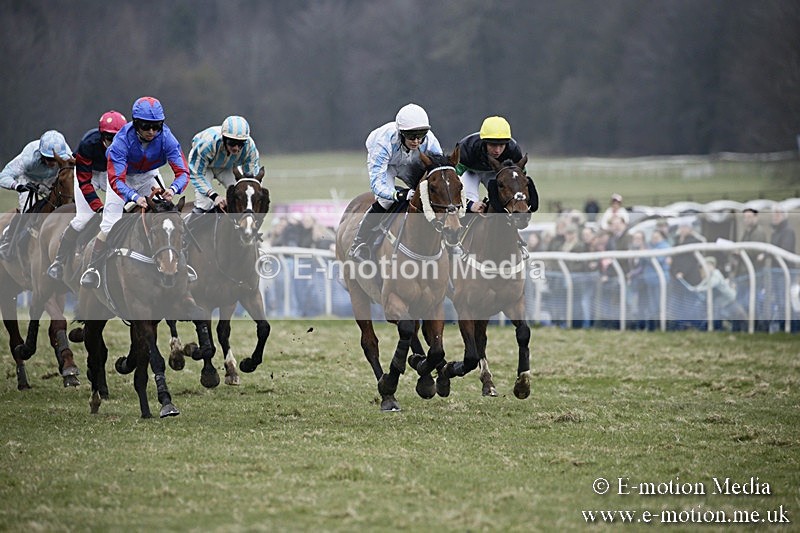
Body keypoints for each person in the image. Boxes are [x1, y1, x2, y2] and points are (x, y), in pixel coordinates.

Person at [80, 96, 190, 288]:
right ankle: (93, 268)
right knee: (109, 224)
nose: (152, 132)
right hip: (122, 178)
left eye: (156, 127)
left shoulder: (167, 138)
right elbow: (116, 181)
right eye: (146, 127)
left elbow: (182, 172)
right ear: (137, 124)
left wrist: (172, 190)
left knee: (167, 216)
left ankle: (180, 263)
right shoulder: (121, 142)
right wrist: (135, 197)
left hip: (149, 176)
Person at [348, 103, 442, 261]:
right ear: (401, 132)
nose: (417, 141)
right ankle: (360, 243)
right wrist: (398, 194)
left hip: (409, 161)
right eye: (411, 136)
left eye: (421, 135)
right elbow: (377, 185)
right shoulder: (383, 142)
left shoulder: (430, 141)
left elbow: (440, 171)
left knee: (427, 194)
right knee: (385, 200)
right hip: (387, 164)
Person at [46, 111, 127, 280]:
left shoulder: (128, 143)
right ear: (101, 135)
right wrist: (98, 206)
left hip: (108, 173)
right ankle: (58, 262)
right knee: (84, 217)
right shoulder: (88, 144)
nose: (113, 143)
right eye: (109, 138)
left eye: (117, 138)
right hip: (87, 173)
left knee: (124, 210)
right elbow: (84, 183)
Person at [0, 130, 73, 260]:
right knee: (27, 210)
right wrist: (18, 186)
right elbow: (3, 176)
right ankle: (8, 239)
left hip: (51, 179)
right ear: (40, 154)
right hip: (28, 179)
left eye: (54, 159)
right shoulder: (28, 158)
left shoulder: (66, 155)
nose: (52, 162)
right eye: (48, 158)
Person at [187, 115, 261, 216]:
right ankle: (188, 229)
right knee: (205, 204)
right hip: (205, 168)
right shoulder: (207, 145)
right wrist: (214, 196)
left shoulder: (249, 147)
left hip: (227, 167)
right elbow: (197, 174)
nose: (236, 148)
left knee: (242, 197)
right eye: (232, 143)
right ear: (224, 139)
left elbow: (251, 179)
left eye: (240, 144)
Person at [455, 115, 527, 214]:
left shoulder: (513, 150)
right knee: (470, 202)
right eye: (493, 145)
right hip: (470, 172)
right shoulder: (466, 148)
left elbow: (521, 179)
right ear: (484, 142)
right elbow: (453, 179)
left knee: (501, 200)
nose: (497, 151)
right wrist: (470, 204)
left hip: (495, 172)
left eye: (501, 145)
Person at [676, 256, 747, 327]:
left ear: (712, 266)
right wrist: (695, 288)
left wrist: (697, 289)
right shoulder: (708, 276)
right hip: (721, 304)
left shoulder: (716, 273)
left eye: (708, 265)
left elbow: (711, 284)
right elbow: (702, 285)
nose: (705, 268)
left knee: (741, 319)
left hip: (730, 302)